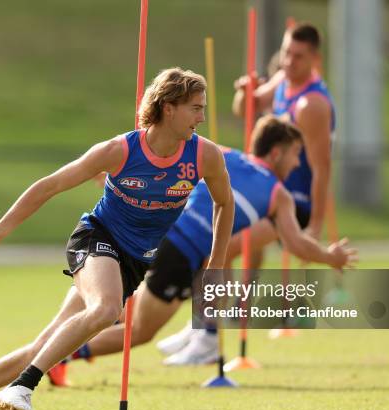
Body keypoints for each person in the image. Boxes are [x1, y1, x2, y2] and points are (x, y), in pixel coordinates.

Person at [0, 67, 234, 410]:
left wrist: (215, 266)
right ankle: (25, 385)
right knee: (106, 311)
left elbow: (224, 204)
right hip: (95, 238)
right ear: (168, 108)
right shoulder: (118, 150)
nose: (202, 117)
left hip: (135, 262)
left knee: (43, 346)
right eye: (195, 108)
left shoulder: (205, 155)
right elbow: (50, 185)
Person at [53, 115, 356, 373]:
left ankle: (201, 335)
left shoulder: (222, 154)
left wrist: (122, 170)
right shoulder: (279, 194)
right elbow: (298, 245)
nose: (297, 162)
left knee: (123, 305)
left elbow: (166, 154)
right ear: (276, 153)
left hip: (160, 238)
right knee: (140, 331)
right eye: (295, 153)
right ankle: (61, 354)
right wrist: (331, 258)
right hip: (180, 253)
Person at [231, 23, 334, 268]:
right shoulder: (282, 81)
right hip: (269, 191)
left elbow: (322, 168)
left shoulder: (311, 105)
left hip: (294, 203)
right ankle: (243, 303)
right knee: (240, 244)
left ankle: (234, 303)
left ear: (315, 59)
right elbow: (244, 110)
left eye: (298, 56)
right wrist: (245, 92)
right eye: (287, 52)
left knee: (232, 243)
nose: (289, 61)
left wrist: (315, 227)